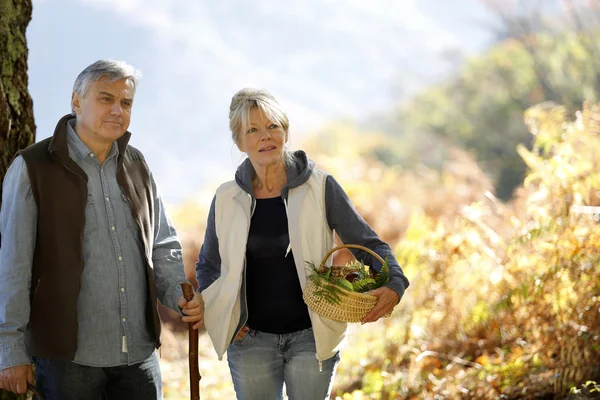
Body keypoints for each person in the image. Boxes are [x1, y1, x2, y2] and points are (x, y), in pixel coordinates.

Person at [0, 60, 204, 399]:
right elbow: (13, 264)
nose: (117, 110)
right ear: (76, 101)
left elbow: (162, 243)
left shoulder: (137, 163)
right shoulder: (32, 168)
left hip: (139, 357)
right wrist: (10, 348)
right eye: (105, 99)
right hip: (68, 361)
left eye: (125, 103)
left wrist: (176, 296)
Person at [196, 88, 410, 400]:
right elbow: (208, 265)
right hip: (249, 341)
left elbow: (367, 242)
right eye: (252, 130)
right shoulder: (227, 198)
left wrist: (395, 282)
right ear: (240, 143)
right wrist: (222, 313)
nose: (265, 137)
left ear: (285, 131)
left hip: (313, 336)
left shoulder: (320, 187)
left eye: (272, 126)